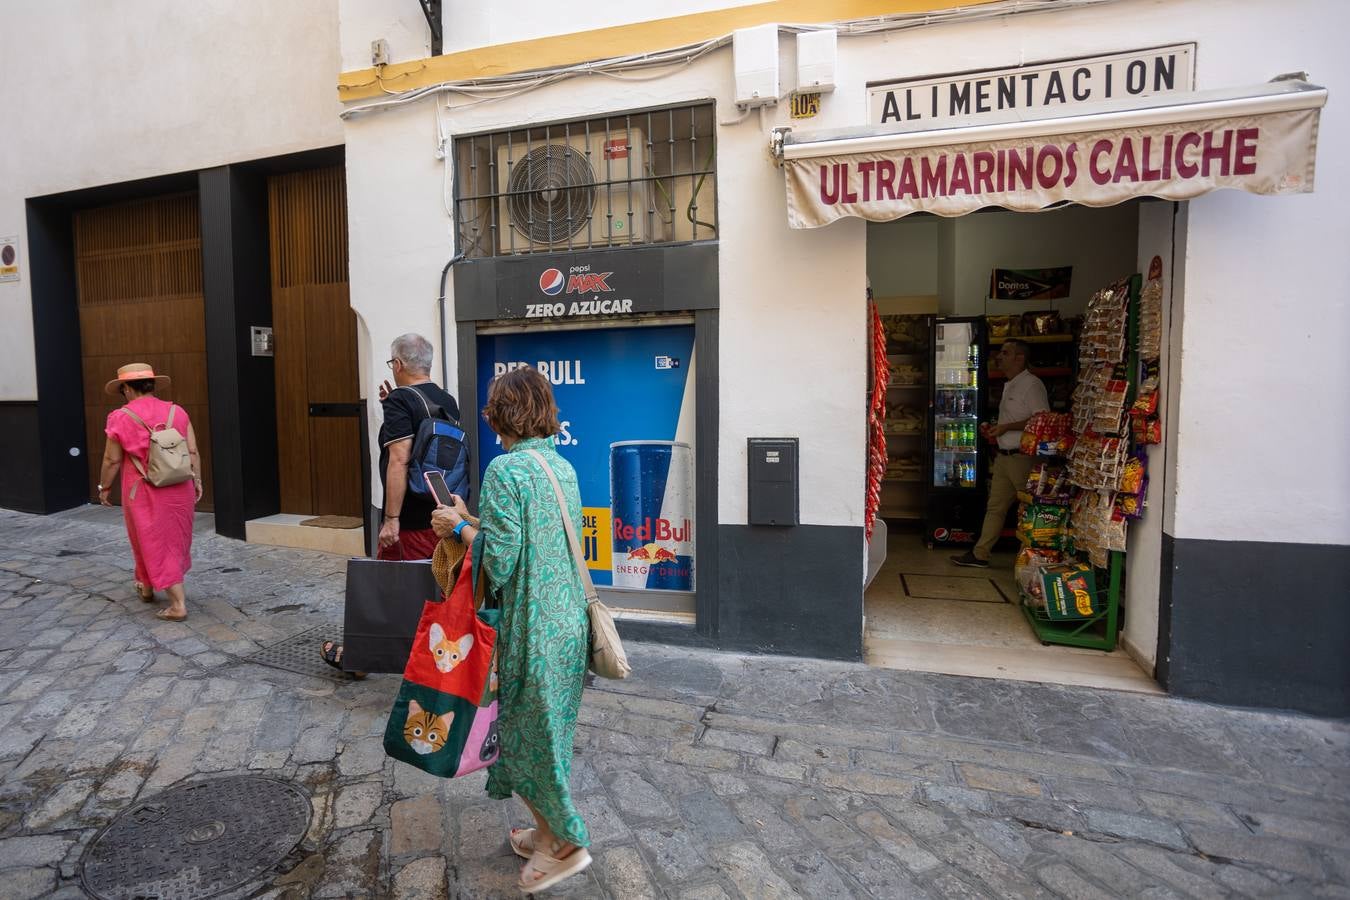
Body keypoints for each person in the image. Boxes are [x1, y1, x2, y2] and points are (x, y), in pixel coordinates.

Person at [431, 366, 592, 893]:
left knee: (524, 742)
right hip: (567, 626)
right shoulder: (559, 466)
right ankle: (545, 835)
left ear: (501, 414)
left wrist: (455, 526)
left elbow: (499, 562)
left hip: (529, 629)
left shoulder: (504, 471)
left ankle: (563, 843)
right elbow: (526, 543)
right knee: (546, 738)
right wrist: (474, 524)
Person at [321, 332, 462, 671]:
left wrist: (391, 519)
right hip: (441, 510)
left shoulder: (402, 400)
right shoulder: (446, 399)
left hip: (410, 517)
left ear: (398, 364)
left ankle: (362, 659)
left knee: (389, 588)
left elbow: (399, 459)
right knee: (434, 586)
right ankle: (439, 657)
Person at [97, 363, 203, 621]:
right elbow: (192, 451)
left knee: (152, 540)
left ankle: (178, 605)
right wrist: (197, 479)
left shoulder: (121, 417)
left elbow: (111, 461)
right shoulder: (177, 411)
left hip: (143, 491)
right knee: (172, 540)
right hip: (180, 487)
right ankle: (146, 586)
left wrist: (104, 487)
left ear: (126, 389)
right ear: (152, 385)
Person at [952, 339, 1049, 569]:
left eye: (1005, 353)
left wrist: (1007, 428)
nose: (999, 357)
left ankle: (1034, 559)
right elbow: (1015, 419)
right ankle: (980, 553)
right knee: (995, 507)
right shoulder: (1011, 384)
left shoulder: (1032, 385)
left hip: (1024, 457)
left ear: (1019, 358)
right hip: (1004, 456)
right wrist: (995, 430)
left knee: (1031, 508)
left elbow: (1042, 420)